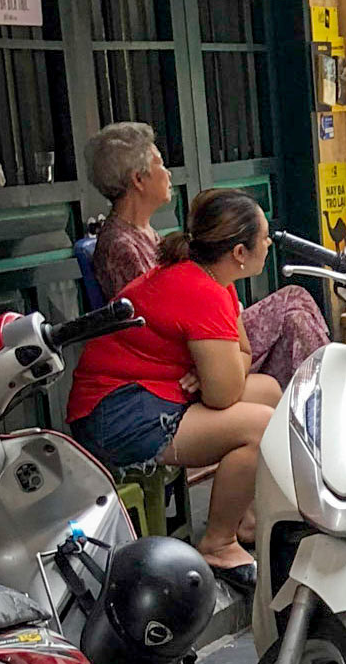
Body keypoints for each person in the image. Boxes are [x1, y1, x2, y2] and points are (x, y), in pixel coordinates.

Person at [67, 188, 280, 589]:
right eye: (263, 236)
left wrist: (211, 367)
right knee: (262, 425)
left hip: (149, 394)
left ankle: (248, 517)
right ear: (239, 251)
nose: (268, 242)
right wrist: (215, 369)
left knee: (267, 390)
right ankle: (218, 542)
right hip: (118, 413)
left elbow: (245, 353)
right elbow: (224, 394)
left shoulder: (214, 277)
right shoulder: (201, 289)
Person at [84, 121, 328, 388]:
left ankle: (318, 397)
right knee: (293, 302)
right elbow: (155, 328)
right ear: (138, 180)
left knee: (296, 313)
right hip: (195, 345)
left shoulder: (143, 230)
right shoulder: (120, 245)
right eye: (161, 165)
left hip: (205, 329)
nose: (169, 174)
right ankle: (325, 397)